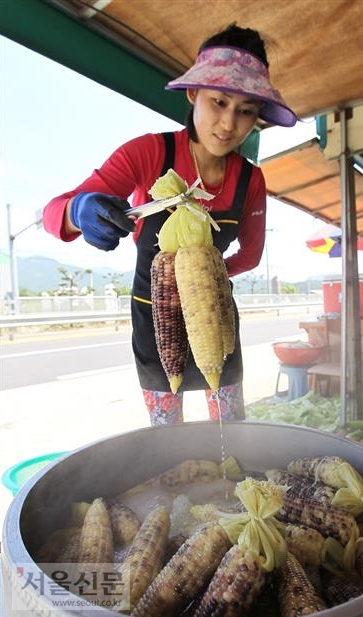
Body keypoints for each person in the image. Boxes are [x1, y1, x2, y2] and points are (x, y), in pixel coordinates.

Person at [43, 23, 297, 425]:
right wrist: (79, 211)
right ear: (193, 94)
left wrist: (204, 275)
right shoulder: (147, 153)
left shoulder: (251, 179)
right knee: (166, 430)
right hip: (154, 315)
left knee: (230, 426)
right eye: (219, 102)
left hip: (217, 316)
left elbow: (250, 254)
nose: (229, 124)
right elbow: (53, 213)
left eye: (246, 111)